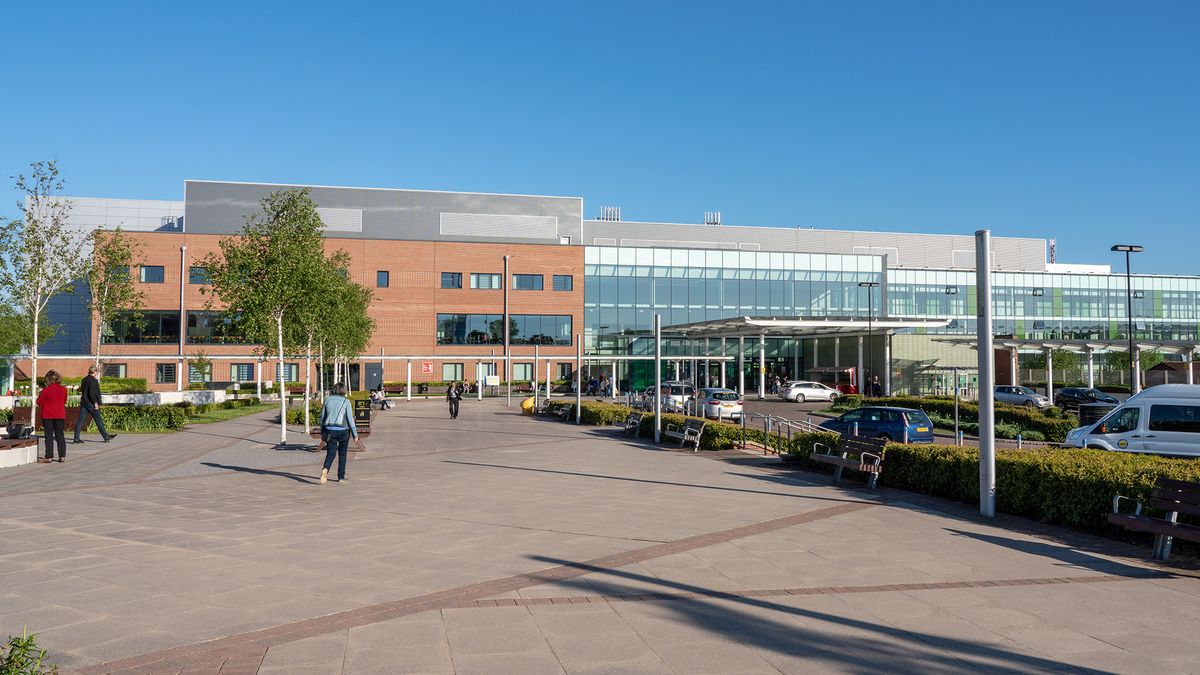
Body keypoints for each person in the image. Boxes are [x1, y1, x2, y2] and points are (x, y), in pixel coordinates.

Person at [318, 383, 362, 484]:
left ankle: (325, 469)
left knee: (331, 452)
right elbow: (350, 419)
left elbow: (322, 417)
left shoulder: (327, 400)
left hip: (329, 430)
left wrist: (322, 430)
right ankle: (341, 476)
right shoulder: (346, 402)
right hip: (343, 430)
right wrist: (355, 435)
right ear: (343, 390)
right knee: (342, 454)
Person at [73, 365, 116, 444]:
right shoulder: (94, 381)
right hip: (92, 404)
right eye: (97, 372)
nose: (97, 374)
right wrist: (96, 403)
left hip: (84, 403)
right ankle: (106, 437)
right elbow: (92, 393)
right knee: (98, 420)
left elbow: (84, 391)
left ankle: (76, 439)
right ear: (94, 372)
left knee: (80, 421)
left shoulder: (84, 380)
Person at [36, 370, 68, 464]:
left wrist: (39, 396)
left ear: (48, 380)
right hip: (60, 414)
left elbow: (39, 402)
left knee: (49, 436)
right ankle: (62, 456)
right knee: (60, 435)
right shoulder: (63, 389)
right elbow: (64, 401)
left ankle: (49, 456)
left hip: (48, 415)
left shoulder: (46, 390)